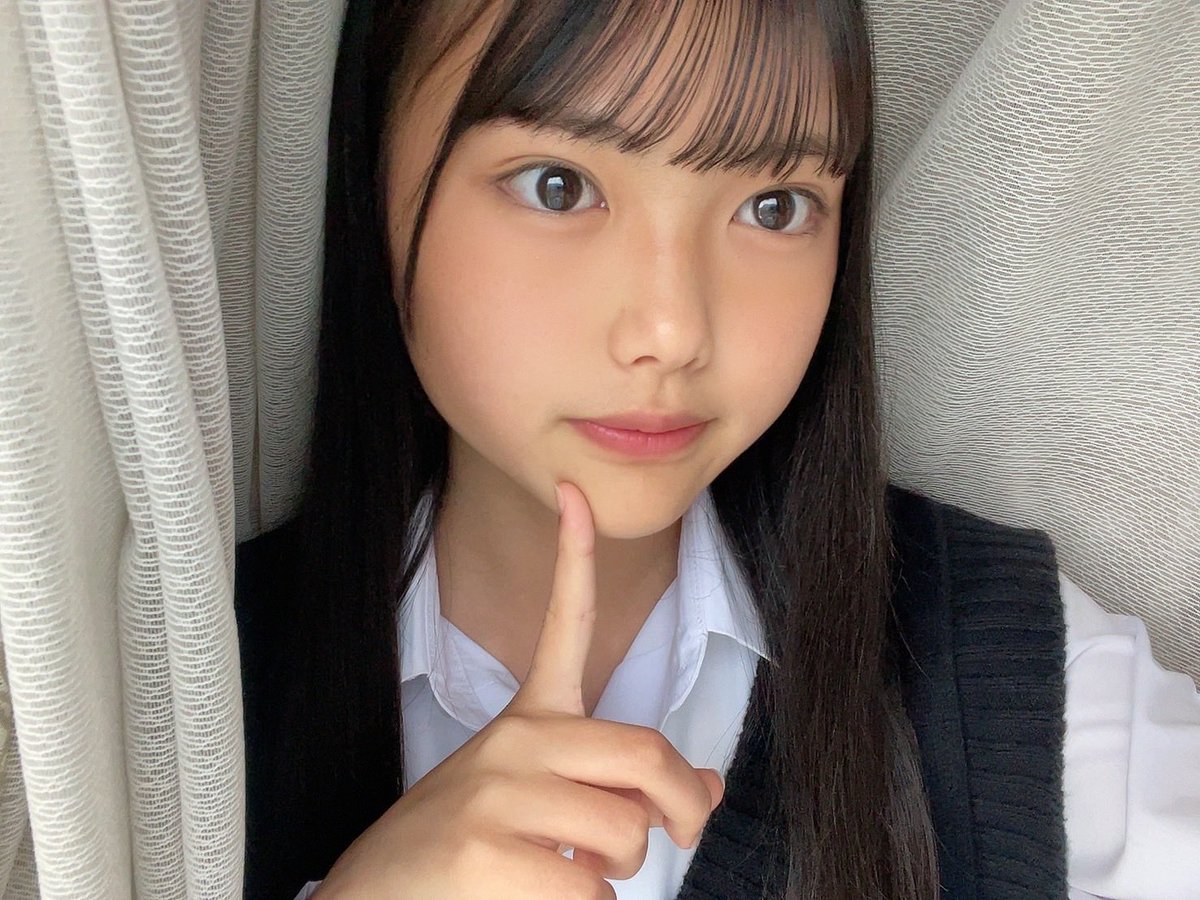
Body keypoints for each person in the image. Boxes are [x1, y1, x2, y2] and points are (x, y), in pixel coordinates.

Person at [233, 1, 1200, 897]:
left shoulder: (1008, 678)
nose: (673, 330)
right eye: (559, 187)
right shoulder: (188, 700)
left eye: (775, 206)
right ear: (373, 176)